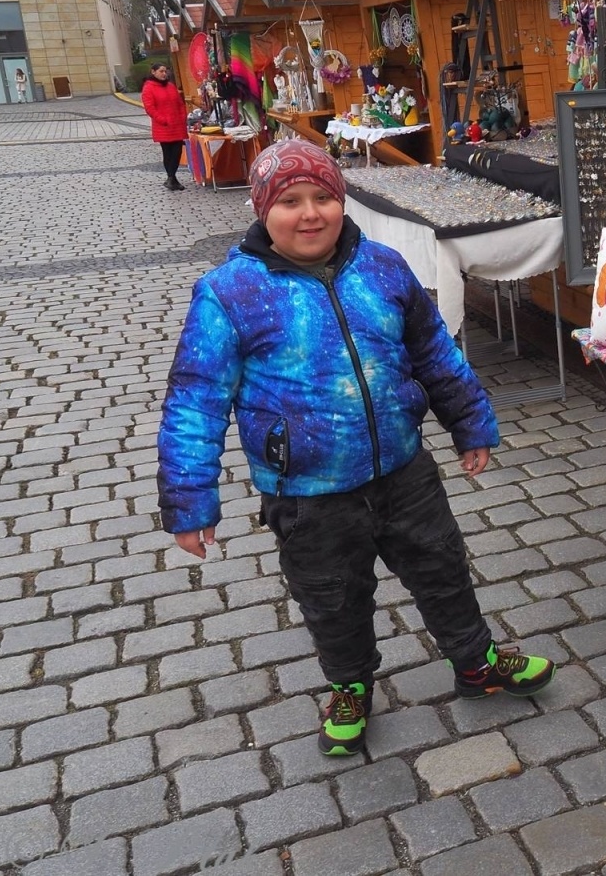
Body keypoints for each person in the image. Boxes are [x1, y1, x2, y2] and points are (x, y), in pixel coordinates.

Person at [156, 141, 555, 756]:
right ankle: (349, 687)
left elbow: (434, 351)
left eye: (323, 197)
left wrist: (470, 422)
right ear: (262, 209)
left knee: (443, 569)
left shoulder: (384, 267)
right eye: (290, 201)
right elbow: (194, 401)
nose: (309, 213)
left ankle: (476, 663)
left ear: (341, 201)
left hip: (404, 470)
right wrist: (189, 502)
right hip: (308, 496)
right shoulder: (230, 293)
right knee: (332, 598)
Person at [140, 63, 188, 190]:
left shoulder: (171, 86)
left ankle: (171, 179)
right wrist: (163, 120)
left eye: (165, 71)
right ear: (153, 72)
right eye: (161, 71)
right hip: (163, 126)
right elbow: (150, 108)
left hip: (177, 124)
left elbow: (180, 103)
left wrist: (183, 116)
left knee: (177, 152)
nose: (164, 74)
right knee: (168, 153)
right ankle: (172, 179)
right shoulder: (149, 88)